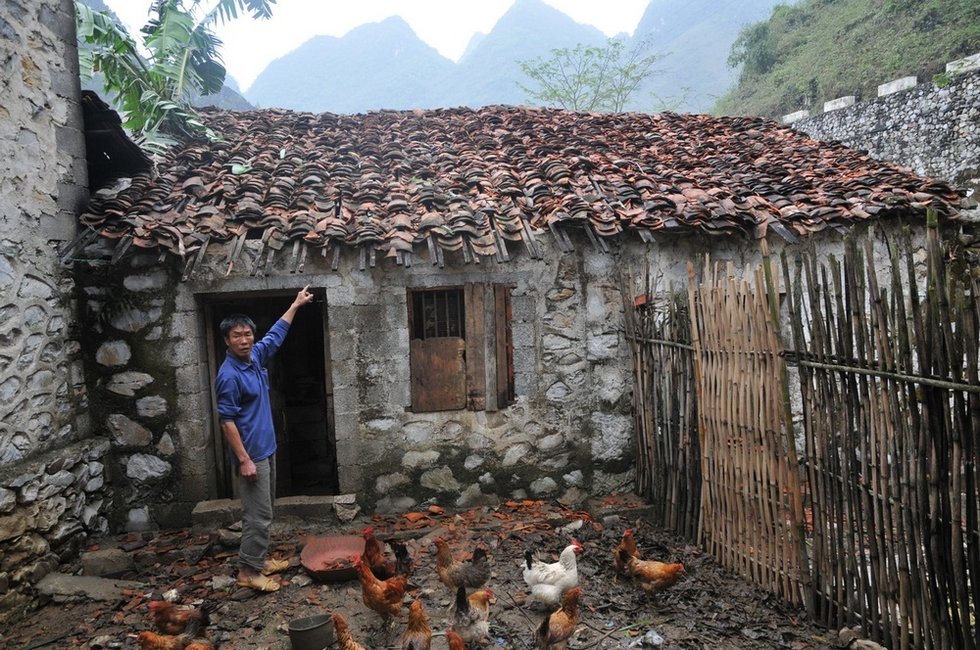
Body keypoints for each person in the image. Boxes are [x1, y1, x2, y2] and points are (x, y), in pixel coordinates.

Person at [215, 285, 315, 592]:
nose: (244, 340)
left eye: (247, 334)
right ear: (226, 341)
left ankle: (258, 560)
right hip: (252, 455)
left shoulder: (254, 357)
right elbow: (226, 421)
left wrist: (296, 304)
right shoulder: (228, 375)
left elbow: (275, 334)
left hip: (266, 449)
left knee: (265, 510)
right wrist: (244, 459)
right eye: (237, 336)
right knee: (257, 515)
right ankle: (248, 572)